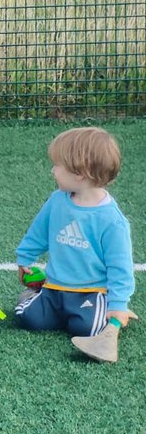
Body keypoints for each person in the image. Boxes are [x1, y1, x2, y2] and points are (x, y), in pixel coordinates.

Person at [13, 127, 134, 347]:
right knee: (26, 317)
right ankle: (36, 297)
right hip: (55, 287)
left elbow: (120, 267)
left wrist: (118, 304)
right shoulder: (57, 200)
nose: (53, 170)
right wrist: (25, 258)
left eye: (58, 166)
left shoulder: (112, 221)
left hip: (91, 291)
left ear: (80, 172)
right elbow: (38, 232)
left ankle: (105, 306)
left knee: (88, 328)